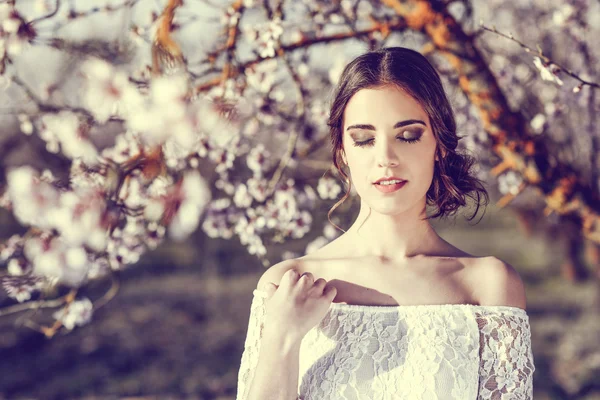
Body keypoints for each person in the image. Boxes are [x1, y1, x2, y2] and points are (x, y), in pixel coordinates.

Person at [235, 47, 535, 400]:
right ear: (343, 152)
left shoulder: (488, 285)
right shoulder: (289, 284)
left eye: (407, 136)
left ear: (439, 144)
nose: (385, 159)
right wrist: (282, 338)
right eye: (364, 139)